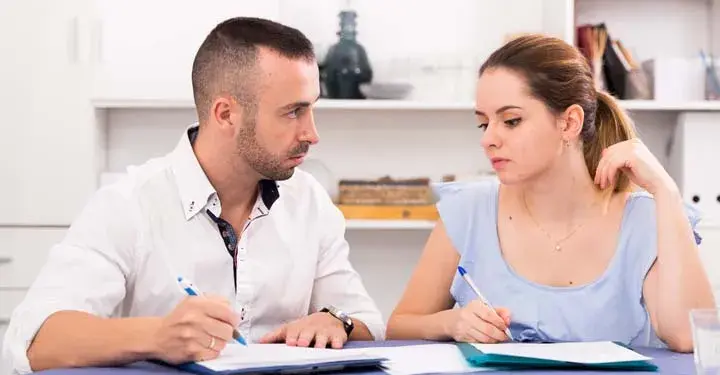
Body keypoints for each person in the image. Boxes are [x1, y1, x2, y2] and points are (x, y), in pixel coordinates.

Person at [2, 17, 384, 374]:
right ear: (224, 114)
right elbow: (32, 340)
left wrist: (338, 321)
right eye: (293, 112)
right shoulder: (129, 204)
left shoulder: (309, 200)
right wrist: (157, 336)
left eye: (312, 108)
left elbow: (366, 319)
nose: (312, 133)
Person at [385, 34, 715, 352]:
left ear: (569, 123)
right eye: (484, 124)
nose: (488, 139)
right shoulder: (468, 211)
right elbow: (399, 326)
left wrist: (665, 190)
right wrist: (450, 323)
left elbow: (688, 338)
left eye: (511, 121)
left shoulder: (645, 219)